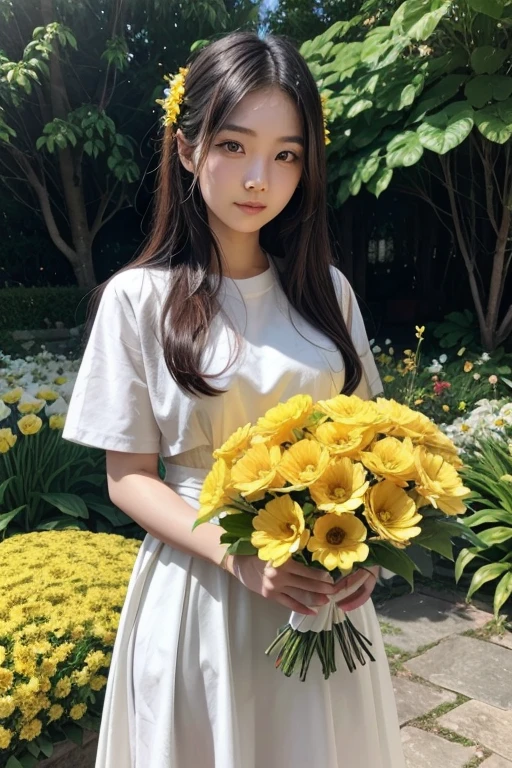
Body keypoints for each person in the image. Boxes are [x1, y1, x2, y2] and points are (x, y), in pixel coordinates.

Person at [62, 31, 405, 768]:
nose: (260, 178)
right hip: (201, 597)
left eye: (286, 154)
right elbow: (129, 477)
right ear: (187, 149)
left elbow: (372, 445)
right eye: (234, 146)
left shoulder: (329, 294)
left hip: (321, 597)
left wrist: (366, 550)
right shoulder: (138, 301)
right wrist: (243, 561)